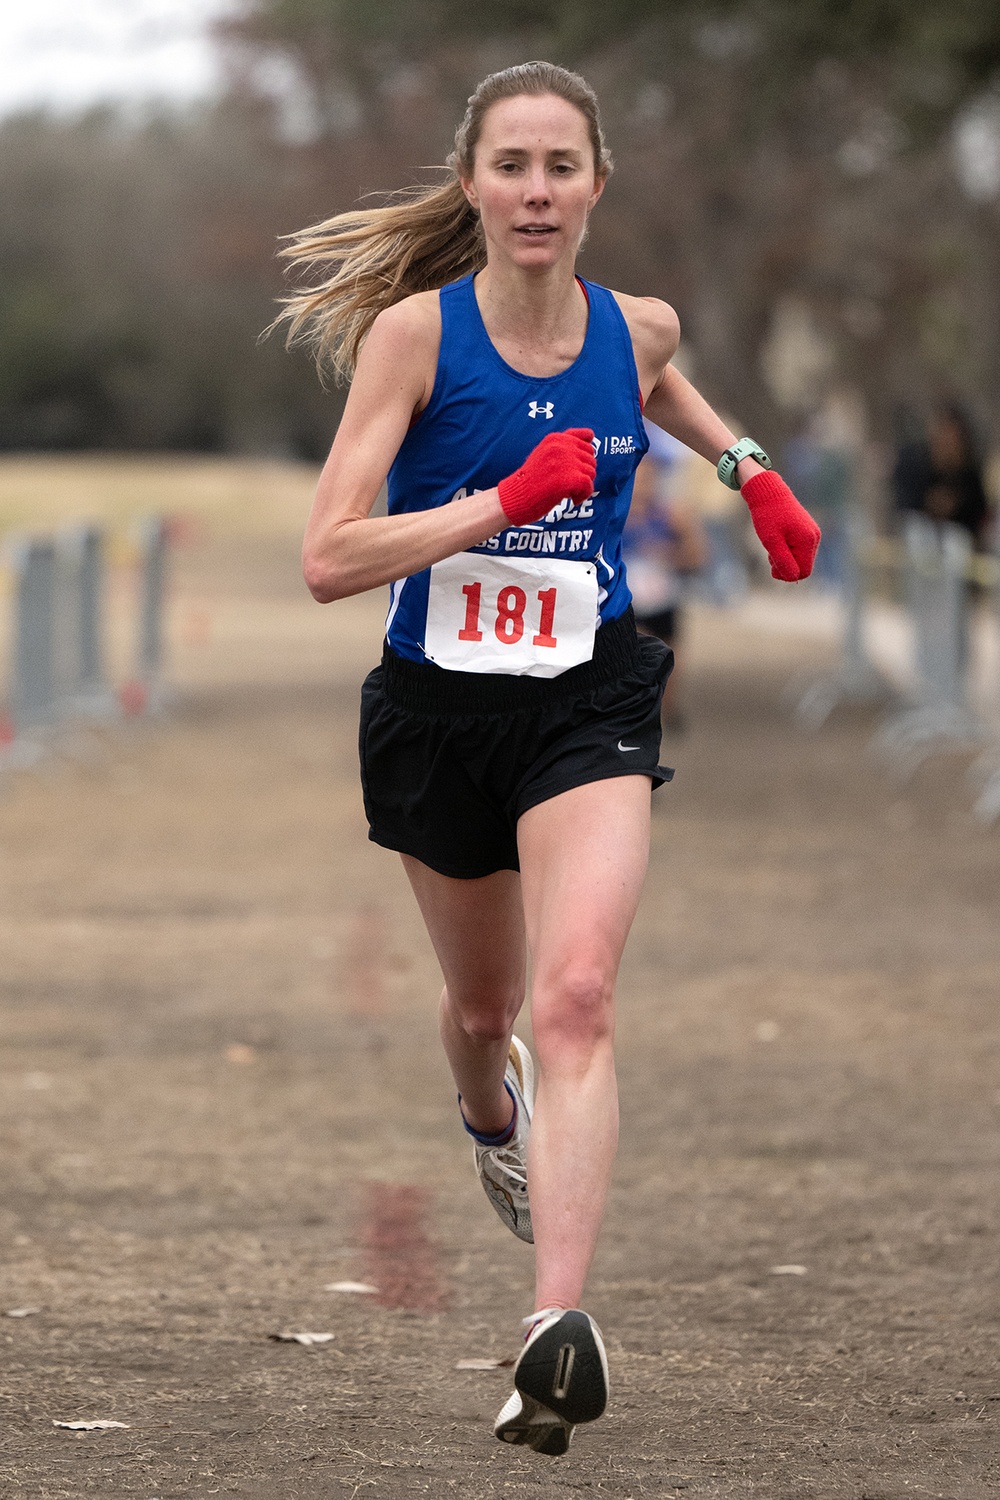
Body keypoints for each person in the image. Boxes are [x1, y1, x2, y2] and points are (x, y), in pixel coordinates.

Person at [278, 61, 820, 1456]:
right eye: (510, 165)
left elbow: (669, 384)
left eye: (560, 166)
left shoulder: (634, 327)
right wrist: (495, 505)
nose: (535, 191)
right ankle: (484, 1109)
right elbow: (331, 557)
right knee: (488, 1014)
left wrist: (752, 469)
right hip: (436, 710)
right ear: (474, 184)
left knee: (578, 993)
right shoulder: (415, 338)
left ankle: (552, 1328)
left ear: (595, 184)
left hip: (587, 696)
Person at [621, 444, 707, 730]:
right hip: (626, 602)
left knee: (670, 662)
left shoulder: (672, 515)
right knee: (633, 659)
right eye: (639, 476)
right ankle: (633, 715)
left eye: (650, 476)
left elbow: (698, 556)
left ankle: (669, 713)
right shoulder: (614, 514)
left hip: (663, 599)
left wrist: (667, 554)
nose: (644, 483)